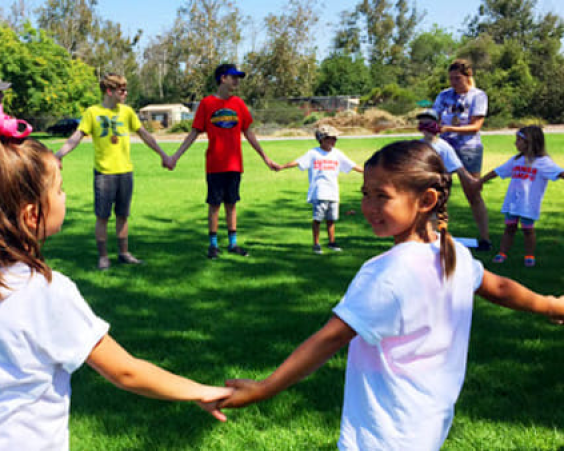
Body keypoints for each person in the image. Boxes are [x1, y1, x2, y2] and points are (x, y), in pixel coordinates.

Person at [0, 125, 232, 450]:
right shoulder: (49, 292)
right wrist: (198, 390)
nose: (65, 196)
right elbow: (125, 371)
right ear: (32, 214)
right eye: (61, 189)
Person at [217, 141, 564, 450]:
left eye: (382, 196)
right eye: (365, 194)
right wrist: (550, 304)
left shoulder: (386, 273)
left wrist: (265, 388)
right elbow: (499, 288)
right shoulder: (452, 251)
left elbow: (330, 339)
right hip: (428, 422)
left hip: (382, 431)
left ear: (426, 200)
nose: (369, 206)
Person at [55, 73, 171, 270]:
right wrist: (58, 155)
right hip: (104, 174)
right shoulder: (93, 113)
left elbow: (144, 135)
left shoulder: (127, 112)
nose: (125, 94)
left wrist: (163, 154)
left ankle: (124, 253)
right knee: (103, 216)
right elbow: (76, 137)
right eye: (122, 90)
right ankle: (103, 257)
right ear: (109, 91)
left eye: (126, 90)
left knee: (123, 215)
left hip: (125, 172)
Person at [170, 63, 277, 259]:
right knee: (214, 204)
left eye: (238, 77)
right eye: (233, 77)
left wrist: (265, 157)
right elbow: (194, 132)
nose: (237, 80)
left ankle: (233, 244)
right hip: (215, 165)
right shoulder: (207, 103)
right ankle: (213, 245)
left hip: (234, 165)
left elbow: (249, 132)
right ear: (222, 79)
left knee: (231, 203)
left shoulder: (239, 104)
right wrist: (175, 156)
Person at [477, 126, 563, 267]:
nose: (515, 143)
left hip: (528, 204)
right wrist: (480, 181)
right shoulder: (516, 160)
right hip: (513, 202)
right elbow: (499, 171)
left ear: (530, 142)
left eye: (519, 140)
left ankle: (529, 256)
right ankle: (502, 253)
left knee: (528, 230)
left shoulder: (543, 162)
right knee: (509, 228)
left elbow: (559, 173)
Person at [276, 125, 363, 254]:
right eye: (331, 138)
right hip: (319, 192)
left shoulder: (337, 154)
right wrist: (282, 167)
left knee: (331, 219)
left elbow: (352, 164)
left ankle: (331, 242)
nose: (334, 141)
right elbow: (298, 162)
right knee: (318, 219)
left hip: (333, 192)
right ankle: (316, 243)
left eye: (335, 139)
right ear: (322, 139)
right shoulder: (313, 153)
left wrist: (368, 172)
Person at [433, 58, 491, 251]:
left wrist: (449, 127)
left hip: (469, 148)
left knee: (473, 191)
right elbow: (435, 116)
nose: (453, 83)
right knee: (438, 192)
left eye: (457, 78)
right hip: (444, 147)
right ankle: (436, 234)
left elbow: (476, 126)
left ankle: (484, 238)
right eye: (451, 78)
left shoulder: (477, 96)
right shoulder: (444, 95)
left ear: (468, 77)